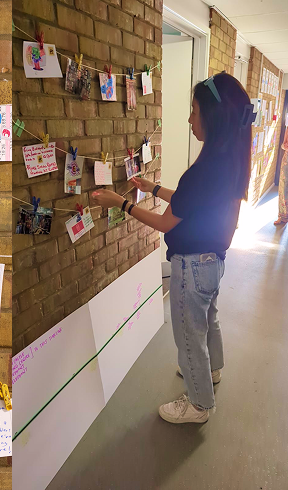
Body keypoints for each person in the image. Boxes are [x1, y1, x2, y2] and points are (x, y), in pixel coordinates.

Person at [91, 72, 252, 424]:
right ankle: (212, 371)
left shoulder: (204, 169)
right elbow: (189, 201)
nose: (190, 120)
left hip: (192, 268)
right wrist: (152, 188)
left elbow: (166, 223)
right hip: (213, 262)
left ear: (212, 117)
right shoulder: (230, 161)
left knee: (189, 336)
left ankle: (198, 405)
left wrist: (121, 203)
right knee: (208, 320)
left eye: (194, 111)